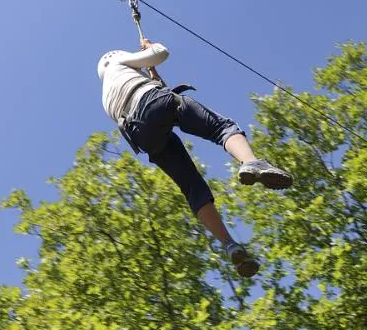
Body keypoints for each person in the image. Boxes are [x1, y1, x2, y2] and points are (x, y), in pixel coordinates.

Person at [97, 38, 293, 278]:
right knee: (221, 128)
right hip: (152, 101)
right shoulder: (117, 59)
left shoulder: (106, 96)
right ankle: (250, 162)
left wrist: (152, 72)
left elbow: (154, 105)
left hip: (142, 134)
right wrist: (150, 50)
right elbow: (161, 54)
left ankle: (230, 245)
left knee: (192, 187)